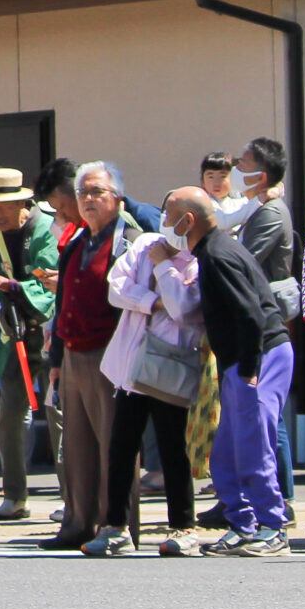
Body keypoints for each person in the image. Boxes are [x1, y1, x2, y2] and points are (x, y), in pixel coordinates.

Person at [87, 197, 207, 557]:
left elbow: (184, 309)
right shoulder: (142, 244)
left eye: (172, 215)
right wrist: (152, 302)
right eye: (164, 212)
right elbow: (115, 288)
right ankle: (115, 527)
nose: (165, 221)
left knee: (173, 448)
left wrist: (162, 269)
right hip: (131, 363)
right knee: (121, 446)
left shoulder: (197, 260)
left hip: (169, 362)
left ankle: (184, 526)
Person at [178, 190, 295, 557]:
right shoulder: (214, 250)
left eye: (171, 215)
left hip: (260, 356)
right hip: (243, 359)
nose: (167, 223)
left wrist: (247, 369)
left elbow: (251, 313)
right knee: (226, 451)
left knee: (252, 445)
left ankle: (272, 527)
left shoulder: (218, 254)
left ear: (189, 220)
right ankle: (243, 525)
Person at [44, 162, 138, 552]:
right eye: (83, 193)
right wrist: (55, 364)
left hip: (110, 354)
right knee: (77, 444)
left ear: (116, 197)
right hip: (74, 353)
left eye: (97, 192)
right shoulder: (77, 242)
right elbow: (63, 300)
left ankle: (116, 523)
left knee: (113, 444)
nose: (88, 200)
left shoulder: (129, 240)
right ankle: (78, 521)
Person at [0, 168, 56, 522]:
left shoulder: (46, 229)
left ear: (24, 202)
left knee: (57, 413)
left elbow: (49, 283)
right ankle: (14, 495)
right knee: (8, 415)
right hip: (12, 329)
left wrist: (10, 287)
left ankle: (72, 498)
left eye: (5, 205)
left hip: (50, 329)